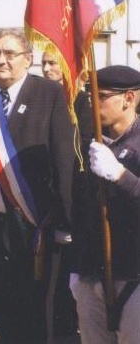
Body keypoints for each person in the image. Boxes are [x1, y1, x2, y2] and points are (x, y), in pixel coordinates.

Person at [0, 28, 75, 344]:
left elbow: (63, 160)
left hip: (34, 223)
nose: (0, 59)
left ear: (27, 59)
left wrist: (65, 220)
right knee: (1, 305)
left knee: (37, 308)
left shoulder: (49, 94)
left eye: (9, 53)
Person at [70, 65, 140, 344]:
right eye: (89, 93)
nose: (91, 100)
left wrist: (121, 176)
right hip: (92, 271)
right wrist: (76, 266)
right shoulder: (90, 143)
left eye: (102, 95)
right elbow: (80, 209)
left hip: (133, 273)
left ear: (129, 99)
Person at [41, 51, 94, 340]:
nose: (48, 68)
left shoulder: (87, 106)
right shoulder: (44, 100)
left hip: (79, 211)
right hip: (49, 210)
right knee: (54, 292)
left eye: (54, 63)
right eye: (44, 63)